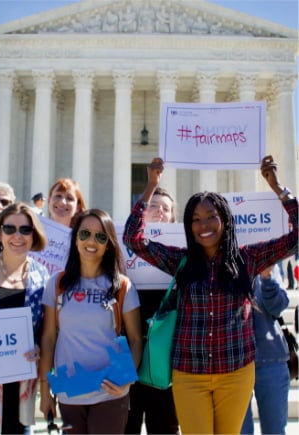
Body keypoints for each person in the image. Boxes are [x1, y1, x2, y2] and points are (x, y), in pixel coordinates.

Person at [123, 155, 298, 434]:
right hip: (189, 374)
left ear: (225, 220)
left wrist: (278, 187)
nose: (204, 225)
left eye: (211, 217)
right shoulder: (180, 262)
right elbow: (133, 239)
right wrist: (150, 187)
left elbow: (296, 237)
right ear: (188, 227)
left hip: (235, 371)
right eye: (196, 219)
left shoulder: (248, 259)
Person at [39, 208, 142, 434]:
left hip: (110, 391)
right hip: (70, 390)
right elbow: (48, 339)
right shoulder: (57, 284)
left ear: (109, 244)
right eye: (84, 233)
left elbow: (135, 339)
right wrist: (45, 391)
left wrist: (126, 380)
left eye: (100, 236)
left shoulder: (122, 285)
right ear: (75, 238)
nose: (91, 241)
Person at [0, 202, 49, 434]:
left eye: (25, 229)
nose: (17, 236)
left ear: (34, 235)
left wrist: (39, 349)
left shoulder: (41, 276)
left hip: (20, 384)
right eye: (10, 228)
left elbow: (45, 332)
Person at [125, 187, 179, 434]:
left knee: (164, 424)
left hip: (165, 349)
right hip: (129, 343)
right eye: (153, 206)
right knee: (128, 423)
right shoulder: (125, 247)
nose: (159, 212)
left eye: (166, 208)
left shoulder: (181, 254)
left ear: (173, 218)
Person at [241, 264, 290, 435]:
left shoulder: (269, 263)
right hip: (234, 364)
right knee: (239, 431)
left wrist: (266, 278)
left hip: (271, 361)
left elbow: (278, 306)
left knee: (275, 430)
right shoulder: (219, 262)